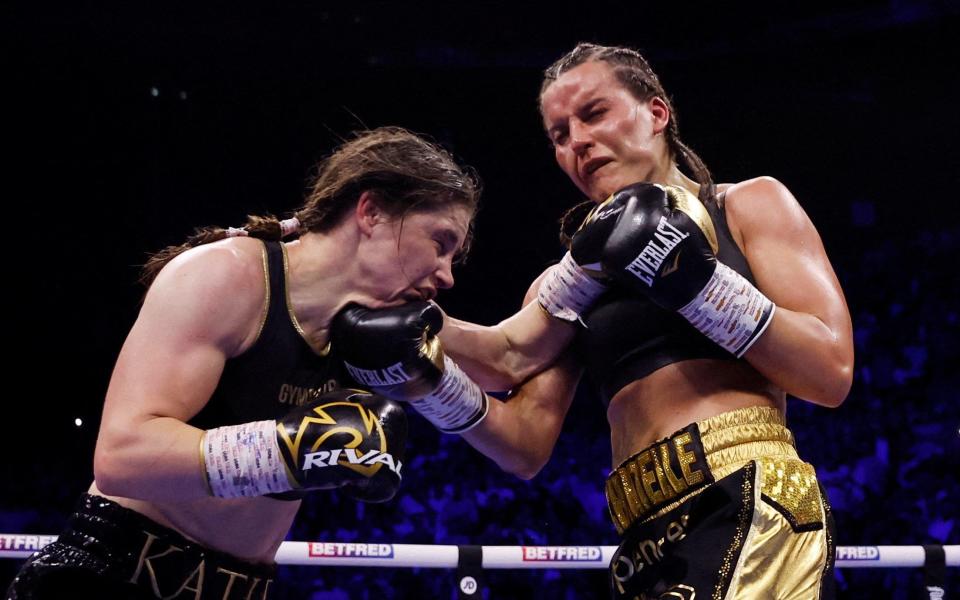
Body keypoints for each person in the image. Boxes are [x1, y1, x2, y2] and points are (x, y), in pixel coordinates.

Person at [331, 44, 853, 599]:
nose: (577, 140)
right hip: (641, 532)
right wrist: (421, 353)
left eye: (594, 113)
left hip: (744, 495)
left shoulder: (747, 206)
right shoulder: (572, 278)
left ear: (657, 114)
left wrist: (693, 282)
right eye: (559, 134)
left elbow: (831, 371)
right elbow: (520, 422)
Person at [7, 127, 481, 599]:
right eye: (440, 243)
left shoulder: (382, 330)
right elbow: (120, 455)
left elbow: (509, 357)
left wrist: (559, 280)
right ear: (371, 211)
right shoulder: (226, 276)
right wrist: (289, 451)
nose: (446, 275)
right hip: (113, 575)